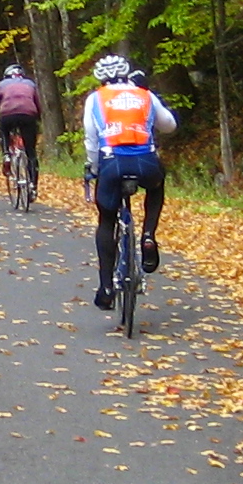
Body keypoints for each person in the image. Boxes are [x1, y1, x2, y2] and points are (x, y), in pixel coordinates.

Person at [81, 52, 175, 309]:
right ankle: (148, 235)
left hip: (112, 163)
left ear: (101, 79)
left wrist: (94, 167)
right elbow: (170, 125)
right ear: (126, 74)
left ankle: (106, 287)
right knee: (157, 185)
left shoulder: (95, 99)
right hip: (145, 161)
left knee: (107, 220)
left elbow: (91, 138)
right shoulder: (145, 94)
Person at [0, 61, 43, 181]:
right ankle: (33, 186)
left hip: (8, 115)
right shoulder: (30, 84)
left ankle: (6, 154)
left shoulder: (2, 85)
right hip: (28, 115)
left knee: (4, 130)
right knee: (31, 152)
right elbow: (38, 105)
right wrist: (37, 120)